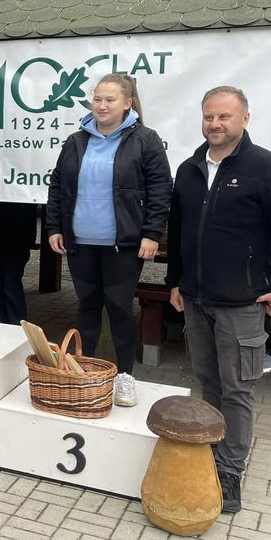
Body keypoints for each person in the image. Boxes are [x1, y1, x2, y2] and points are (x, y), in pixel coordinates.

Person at [168, 86, 271, 514]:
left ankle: (230, 468)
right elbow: (179, 232)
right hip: (195, 298)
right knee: (207, 381)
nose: (215, 124)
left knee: (238, 389)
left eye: (225, 117)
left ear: (244, 119)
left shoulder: (269, 169)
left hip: (241, 302)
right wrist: (175, 280)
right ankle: (207, 450)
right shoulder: (190, 169)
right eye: (209, 116)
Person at [46, 74, 172, 407]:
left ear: (128, 103)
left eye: (110, 100)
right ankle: (87, 370)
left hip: (125, 244)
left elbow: (160, 189)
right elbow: (58, 187)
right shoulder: (75, 141)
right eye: (97, 99)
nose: (101, 105)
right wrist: (54, 227)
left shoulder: (146, 140)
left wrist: (151, 233)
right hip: (80, 242)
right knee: (86, 306)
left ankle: (124, 377)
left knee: (118, 308)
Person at [0, 201, 38, 324]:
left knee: (10, 283)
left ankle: (16, 328)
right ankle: (10, 326)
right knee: (2, 283)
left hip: (17, 233)